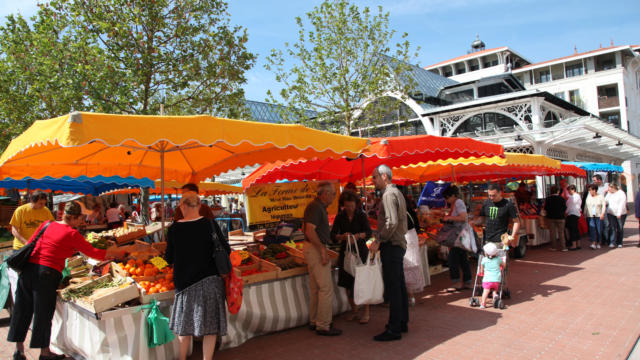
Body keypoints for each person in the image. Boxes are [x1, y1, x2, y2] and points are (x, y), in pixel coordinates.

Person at [7, 202, 122, 360]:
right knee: (43, 313)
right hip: (46, 274)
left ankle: (18, 350)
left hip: (28, 270)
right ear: (73, 217)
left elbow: (30, 243)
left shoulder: (46, 224)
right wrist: (118, 253)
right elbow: (93, 252)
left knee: (22, 309)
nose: (81, 221)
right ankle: (44, 352)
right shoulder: (71, 233)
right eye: (80, 218)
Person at [165, 192, 230, 360]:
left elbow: (169, 258)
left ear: (184, 206)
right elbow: (226, 249)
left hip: (185, 284)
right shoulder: (210, 225)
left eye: (180, 206)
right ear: (199, 206)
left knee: (184, 328)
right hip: (211, 281)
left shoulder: (173, 229)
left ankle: (182, 358)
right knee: (210, 327)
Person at [369, 165, 408, 342]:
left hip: (392, 245)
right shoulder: (395, 193)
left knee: (394, 287)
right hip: (396, 244)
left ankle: (394, 328)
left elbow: (391, 222)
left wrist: (379, 240)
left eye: (375, 177)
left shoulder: (388, 194)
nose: (373, 181)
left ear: (384, 176)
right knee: (398, 286)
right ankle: (401, 322)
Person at [303, 182, 341, 336]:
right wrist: (322, 250)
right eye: (332, 193)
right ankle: (323, 324)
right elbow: (310, 231)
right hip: (315, 248)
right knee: (326, 288)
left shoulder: (316, 207)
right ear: (324, 193)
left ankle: (314, 321)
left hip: (311, 248)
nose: (334, 196)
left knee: (316, 289)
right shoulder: (316, 207)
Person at [330, 191, 372, 324]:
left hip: (360, 252)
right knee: (347, 283)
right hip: (346, 252)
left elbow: (369, 233)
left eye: (352, 206)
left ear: (356, 204)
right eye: (347, 206)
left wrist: (358, 236)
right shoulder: (339, 217)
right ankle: (354, 310)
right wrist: (342, 237)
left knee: (363, 282)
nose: (349, 208)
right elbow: (333, 235)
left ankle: (366, 311)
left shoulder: (361, 215)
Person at [8, 191, 55, 303]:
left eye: (44, 203)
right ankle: (22, 300)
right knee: (23, 277)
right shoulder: (21, 210)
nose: (42, 206)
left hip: (38, 248)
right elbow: (14, 230)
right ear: (32, 201)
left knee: (36, 275)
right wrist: (26, 243)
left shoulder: (45, 211)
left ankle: (34, 298)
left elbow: (51, 227)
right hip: (22, 249)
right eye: (40, 203)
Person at [442, 185, 472, 292]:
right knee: (463, 258)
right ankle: (467, 281)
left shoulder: (458, 202)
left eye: (447, 198)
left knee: (453, 259)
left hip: (459, 235)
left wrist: (449, 217)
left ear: (453, 196)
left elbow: (463, 217)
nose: (447, 200)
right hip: (460, 234)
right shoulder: (455, 203)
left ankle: (457, 282)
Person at [478, 242, 504, 309]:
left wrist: (481, 271)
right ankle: (495, 295)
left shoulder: (484, 260)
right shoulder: (498, 259)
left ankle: (483, 303)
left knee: (485, 292)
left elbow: (481, 270)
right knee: (494, 290)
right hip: (496, 279)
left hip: (487, 280)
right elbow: (503, 265)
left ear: (486, 253)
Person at [544, 186, 567, 251]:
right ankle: (563, 247)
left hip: (550, 217)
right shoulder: (561, 199)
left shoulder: (548, 199)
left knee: (552, 233)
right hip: (560, 217)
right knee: (561, 233)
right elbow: (565, 208)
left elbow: (546, 208)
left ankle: (553, 247)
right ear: (558, 191)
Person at [605, 183, 627, 248]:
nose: (608, 189)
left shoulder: (621, 193)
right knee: (612, 227)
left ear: (613, 188)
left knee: (620, 228)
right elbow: (605, 201)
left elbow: (622, 203)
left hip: (621, 213)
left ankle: (619, 242)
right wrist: (608, 194)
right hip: (611, 213)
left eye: (609, 188)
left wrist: (619, 213)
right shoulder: (609, 194)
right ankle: (612, 242)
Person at [584, 184, 606, 250]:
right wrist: (585, 213)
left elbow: (603, 205)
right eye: (589, 190)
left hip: (598, 215)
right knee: (592, 229)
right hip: (590, 215)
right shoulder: (589, 196)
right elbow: (586, 205)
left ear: (595, 190)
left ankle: (599, 242)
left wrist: (602, 214)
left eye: (591, 190)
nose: (590, 191)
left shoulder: (600, 196)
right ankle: (594, 242)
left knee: (599, 229)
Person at [593, 174, 610, 246]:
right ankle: (602, 239)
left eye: (594, 180)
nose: (593, 182)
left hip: (605, 207)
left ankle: (607, 239)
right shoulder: (594, 188)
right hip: (597, 208)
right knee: (599, 225)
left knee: (606, 224)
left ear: (599, 180)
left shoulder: (606, 186)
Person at [565, 185, 582, 250]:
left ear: (572, 190)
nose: (568, 192)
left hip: (572, 214)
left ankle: (574, 245)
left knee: (572, 230)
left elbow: (569, 206)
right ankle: (578, 244)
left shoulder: (572, 197)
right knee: (576, 230)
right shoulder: (578, 196)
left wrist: (566, 212)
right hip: (577, 213)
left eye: (569, 190)